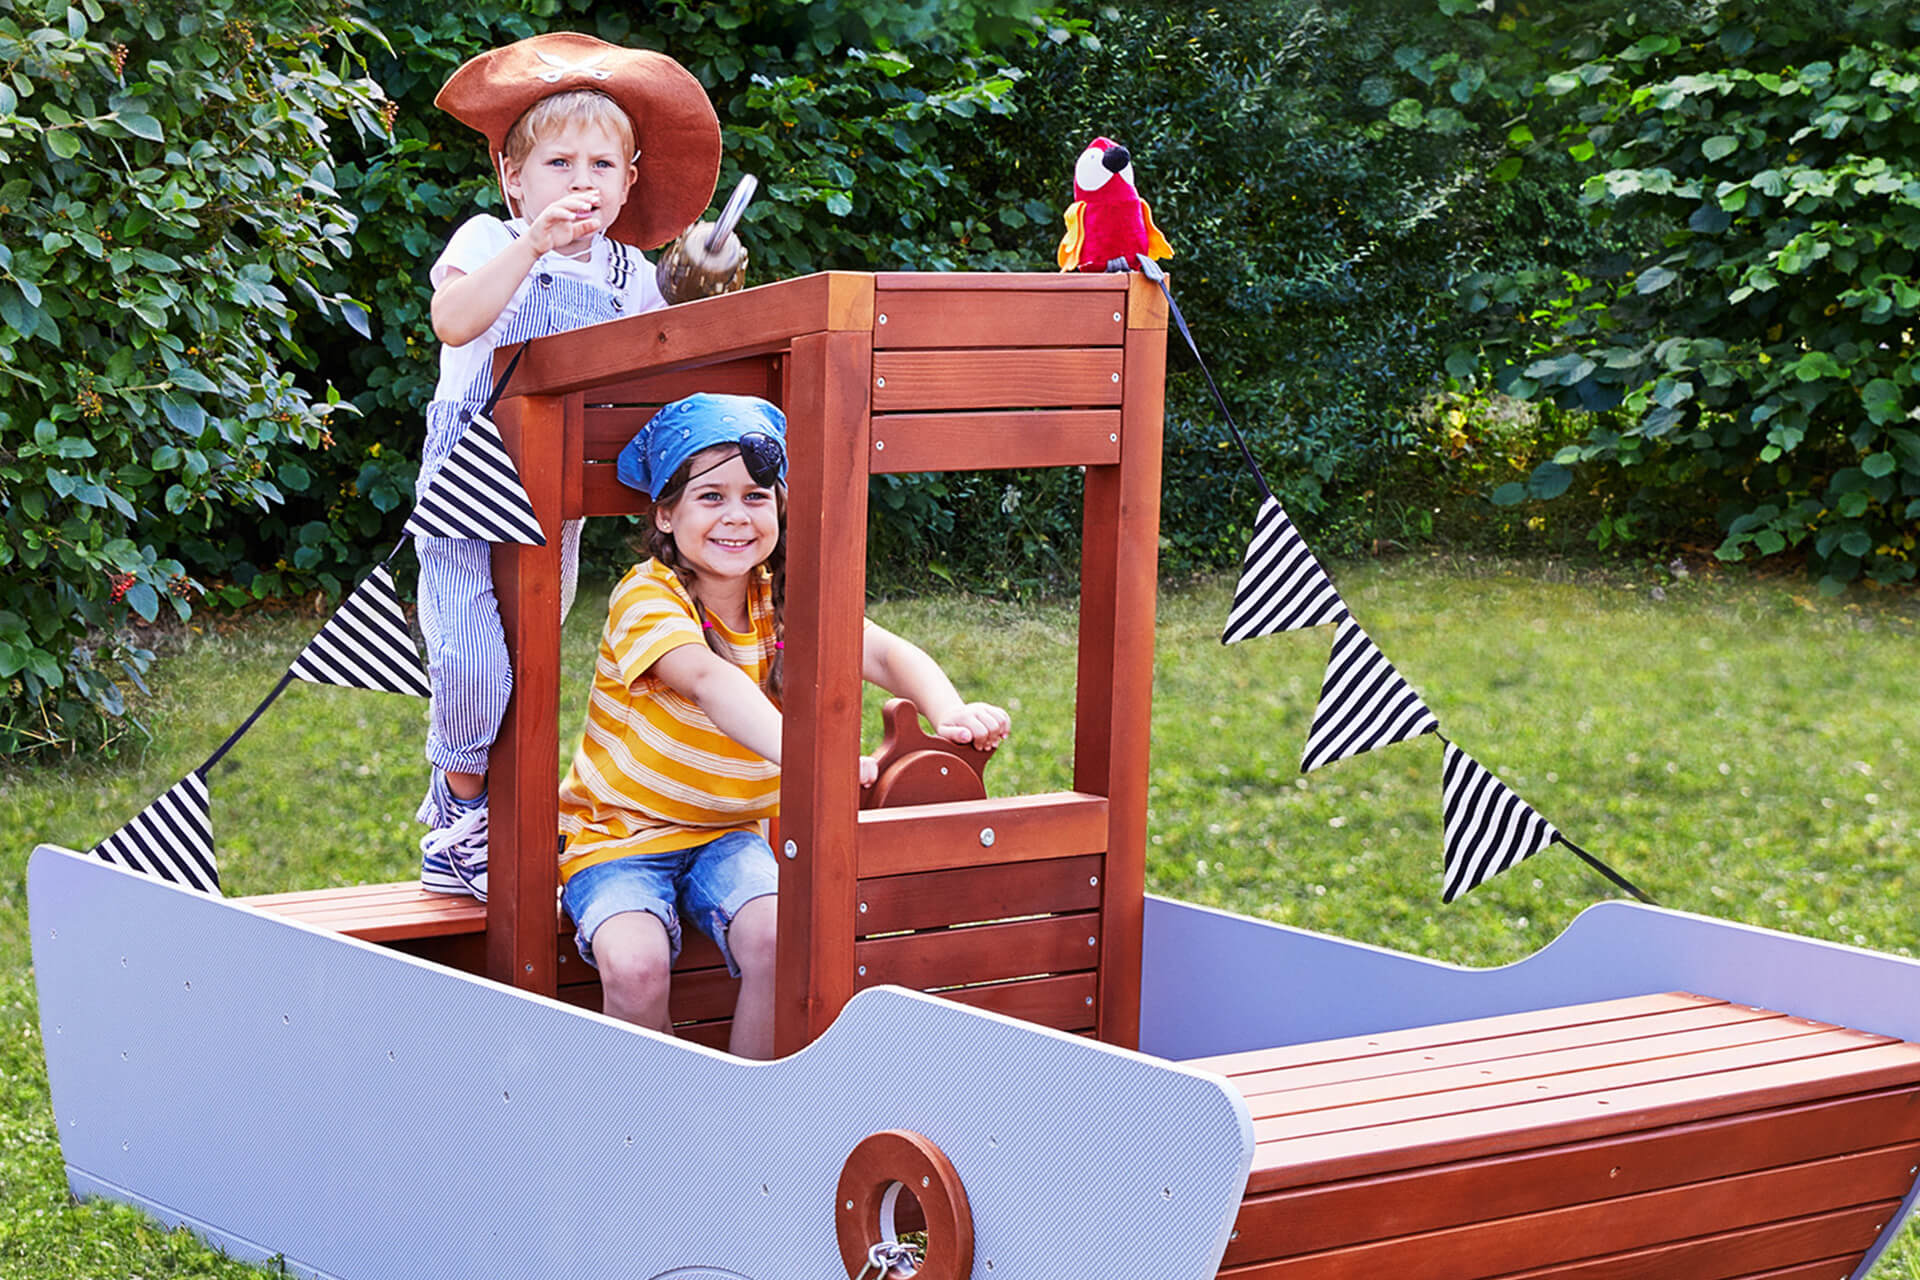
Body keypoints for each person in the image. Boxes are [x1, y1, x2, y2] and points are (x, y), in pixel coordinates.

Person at [556, 394, 1010, 1059]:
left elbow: (882, 651)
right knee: (636, 966)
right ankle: (648, 1123)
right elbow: (711, 683)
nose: (736, 516)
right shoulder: (646, 596)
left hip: (728, 835)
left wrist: (949, 711)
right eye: (710, 497)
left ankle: (744, 1114)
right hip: (620, 834)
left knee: (780, 939)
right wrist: (810, 759)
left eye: (756, 496)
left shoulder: (780, 595)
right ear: (665, 512)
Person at [415, 33, 739, 900]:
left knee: (529, 663)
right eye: (558, 162)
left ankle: (502, 823)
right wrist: (531, 245)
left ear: (630, 183)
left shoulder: (629, 270)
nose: (580, 181)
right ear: (514, 178)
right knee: (471, 658)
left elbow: (660, 352)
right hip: (468, 471)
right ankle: (458, 804)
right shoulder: (489, 237)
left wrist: (695, 283)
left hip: (553, 489)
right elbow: (455, 320)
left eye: (602, 163)